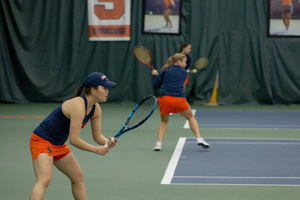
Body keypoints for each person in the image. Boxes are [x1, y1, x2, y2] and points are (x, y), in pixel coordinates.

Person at [29, 72, 118, 200]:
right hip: (41, 140)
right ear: (93, 90)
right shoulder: (78, 106)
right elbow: (74, 140)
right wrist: (96, 149)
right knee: (44, 179)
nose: (107, 91)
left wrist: (107, 142)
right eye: (104, 88)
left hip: (58, 144)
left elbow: (97, 135)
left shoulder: (96, 109)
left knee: (78, 177)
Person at [151, 53, 210, 151]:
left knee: (164, 121)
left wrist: (155, 75)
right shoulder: (184, 72)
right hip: (179, 100)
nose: (185, 64)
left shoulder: (165, 70)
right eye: (184, 62)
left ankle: (158, 144)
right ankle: (199, 139)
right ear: (178, 61)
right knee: (190, 117)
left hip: (165, 100)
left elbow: (156, 85)